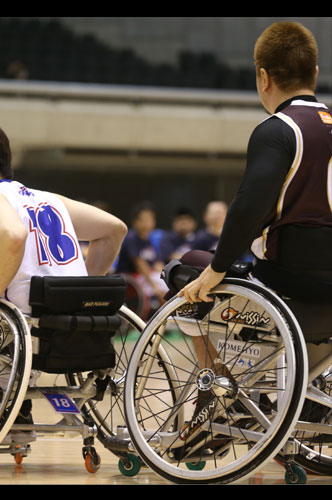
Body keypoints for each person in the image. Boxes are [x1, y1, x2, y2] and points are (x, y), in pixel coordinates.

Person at [177, 21, 331, 439]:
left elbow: (250, 204)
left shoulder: (279, 130)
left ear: (263, 77)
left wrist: (219, 266)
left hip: (293, 277)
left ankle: (221, 392)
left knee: (189, 268)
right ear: (315, 73)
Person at [0, 115, 127, 434]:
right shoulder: (47, 199)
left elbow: (12, 235)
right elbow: (115, 229)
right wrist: (79, 295)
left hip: (25, 331)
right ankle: (14, 406)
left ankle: (0, 405)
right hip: (78, 329)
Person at [115, 201, 167, 303]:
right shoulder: (131, 238)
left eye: (150, 219)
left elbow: (157, 263)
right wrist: (154, 286)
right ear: (135, 222)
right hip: (129, 279)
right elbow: (140, 264)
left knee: (167, 285)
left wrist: (166, 278)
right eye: (144, 220)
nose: (147, 223)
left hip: (145, 277)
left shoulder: (150, 240)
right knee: (160, 288)